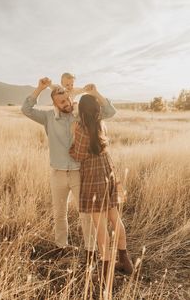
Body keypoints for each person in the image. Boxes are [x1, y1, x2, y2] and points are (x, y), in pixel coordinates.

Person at [21, 77, 117, 260]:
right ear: (55, 104)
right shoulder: (48, 117)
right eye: (62, 102)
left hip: (79, 172)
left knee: (86, 214)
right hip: (57, 173)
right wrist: (39, 89)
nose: (66, 104)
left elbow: (110, 111)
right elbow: (26, 109)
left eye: (67, 99)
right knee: (59, 213)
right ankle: (61, 246)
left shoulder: (81, 115)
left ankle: (90, 250)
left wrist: (95, 92)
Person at [69, 94, 133, 284]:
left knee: (100, 225)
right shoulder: (101, 123)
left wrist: (70, 149)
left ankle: (106, 272)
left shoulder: (80, 127)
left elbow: (79, 155)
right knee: (114, 217)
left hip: (92, 174)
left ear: (81, 110)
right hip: (107, 169)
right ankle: (125, 262)